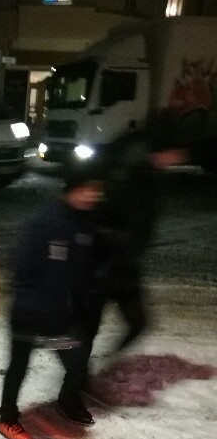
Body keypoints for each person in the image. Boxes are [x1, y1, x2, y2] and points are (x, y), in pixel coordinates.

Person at [0, 160, 106, 439]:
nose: (93, 195)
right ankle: (7, 419)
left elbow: (81, 273)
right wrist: (37, 305)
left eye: (96, 190)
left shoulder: (84, 225)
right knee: (19, 365)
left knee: (78, 363)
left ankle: (68, 402)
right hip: (29, 315)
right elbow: (21, 269)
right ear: (73, 189)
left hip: (58, 323)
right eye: (88, 189)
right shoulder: (43, 223)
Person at [92, 115, 187, 358]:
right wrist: (117, 246)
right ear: (164, 150)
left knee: (138, 323)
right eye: (177, 152)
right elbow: (106, 213)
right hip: (108, 264)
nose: (180, 158)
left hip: (126, 264)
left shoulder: (150, 171)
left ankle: (102, 364)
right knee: (89, 326)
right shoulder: (130, 172)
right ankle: (78, 376)